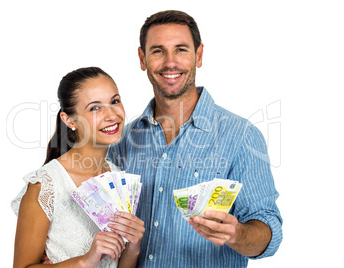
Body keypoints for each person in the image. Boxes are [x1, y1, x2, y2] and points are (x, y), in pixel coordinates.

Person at [107, 10, 283, 267]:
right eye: (157, 51)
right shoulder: (122, 141)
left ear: (198, 55)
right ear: (142, 58)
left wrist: (236, 234)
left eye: (181, 50)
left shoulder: (241, 136)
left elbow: (270, 233)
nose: (170, 62)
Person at [11, 67, 145, 268]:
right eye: (95, 108)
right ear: (69, 120)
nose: (111, 115)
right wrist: (84, 261)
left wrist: (133, 247)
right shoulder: (45, 185)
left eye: (115, 101)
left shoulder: (117, 176)